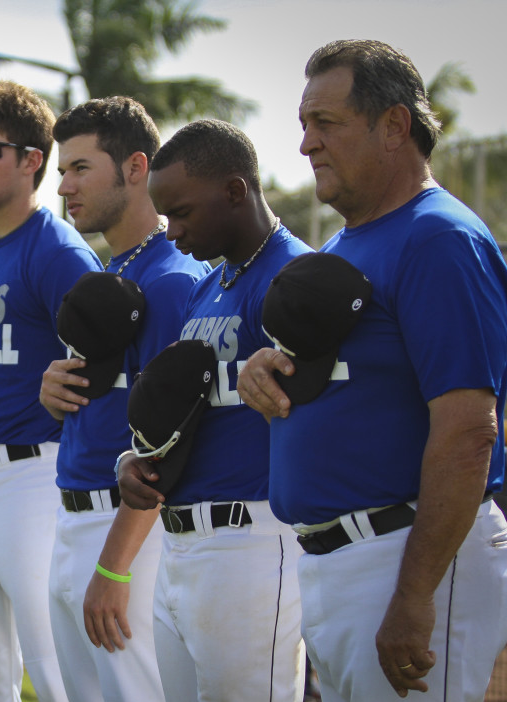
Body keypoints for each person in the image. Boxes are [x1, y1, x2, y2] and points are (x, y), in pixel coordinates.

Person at [236, 39, 507, 702]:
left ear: (395, 126)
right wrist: (265, 370)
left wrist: (416, 596)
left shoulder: (438, 239)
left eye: (325, 124)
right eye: (303, 125)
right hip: (342, 564)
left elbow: (471, 430)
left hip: (411, 557)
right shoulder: (349, 242)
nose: (305, 144)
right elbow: (360, 379)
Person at [98, 119, 311, 700]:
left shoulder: (293, 276)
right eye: (166, 216)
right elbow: (187, 409)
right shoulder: (208, 284)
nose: (173, 231)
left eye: (184, 213)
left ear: (236, 192)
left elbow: (324, 418)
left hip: (253, 537)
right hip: (181, 542)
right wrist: (135, 460)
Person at [36, 97, 207, 702]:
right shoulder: (114, 273)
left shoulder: (172, 279)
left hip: (125, 530)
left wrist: (114, 566)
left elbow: (171, 439)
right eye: (62, 171)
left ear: (137, 167)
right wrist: (52, 391)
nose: (64, 186)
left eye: (80, 168)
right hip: (71, 512)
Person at [0, 78, 102, 702]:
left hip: (33, 475)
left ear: (33, 161)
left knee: (57, 665)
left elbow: (98, 368)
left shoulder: (60, 251)